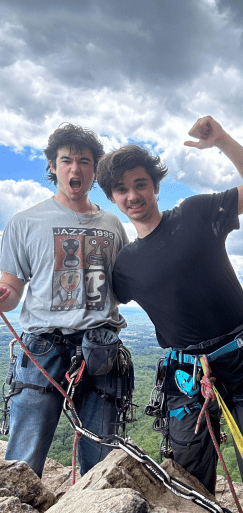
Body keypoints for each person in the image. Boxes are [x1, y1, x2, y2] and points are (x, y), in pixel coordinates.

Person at [97, 116, 243, 513]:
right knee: (189, 486)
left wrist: (222, 139)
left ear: (155, 186)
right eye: (121, 189)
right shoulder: (124, 267)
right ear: (112, 198)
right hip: (186, 376)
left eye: (140, 184)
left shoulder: (196, 213)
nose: (133, 195)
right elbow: (95, 303)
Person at [0, 124, 130, 478]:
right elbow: (10, 293)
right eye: (67, 160)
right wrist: (3, 296)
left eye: (85, 161)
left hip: (99, 347)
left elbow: (124, 289)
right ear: (53, 166)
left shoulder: (113, 225)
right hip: (42, 347)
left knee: (100, 462)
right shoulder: (24, 223)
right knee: (22, 462)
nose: (76, 168)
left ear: (94, 169)